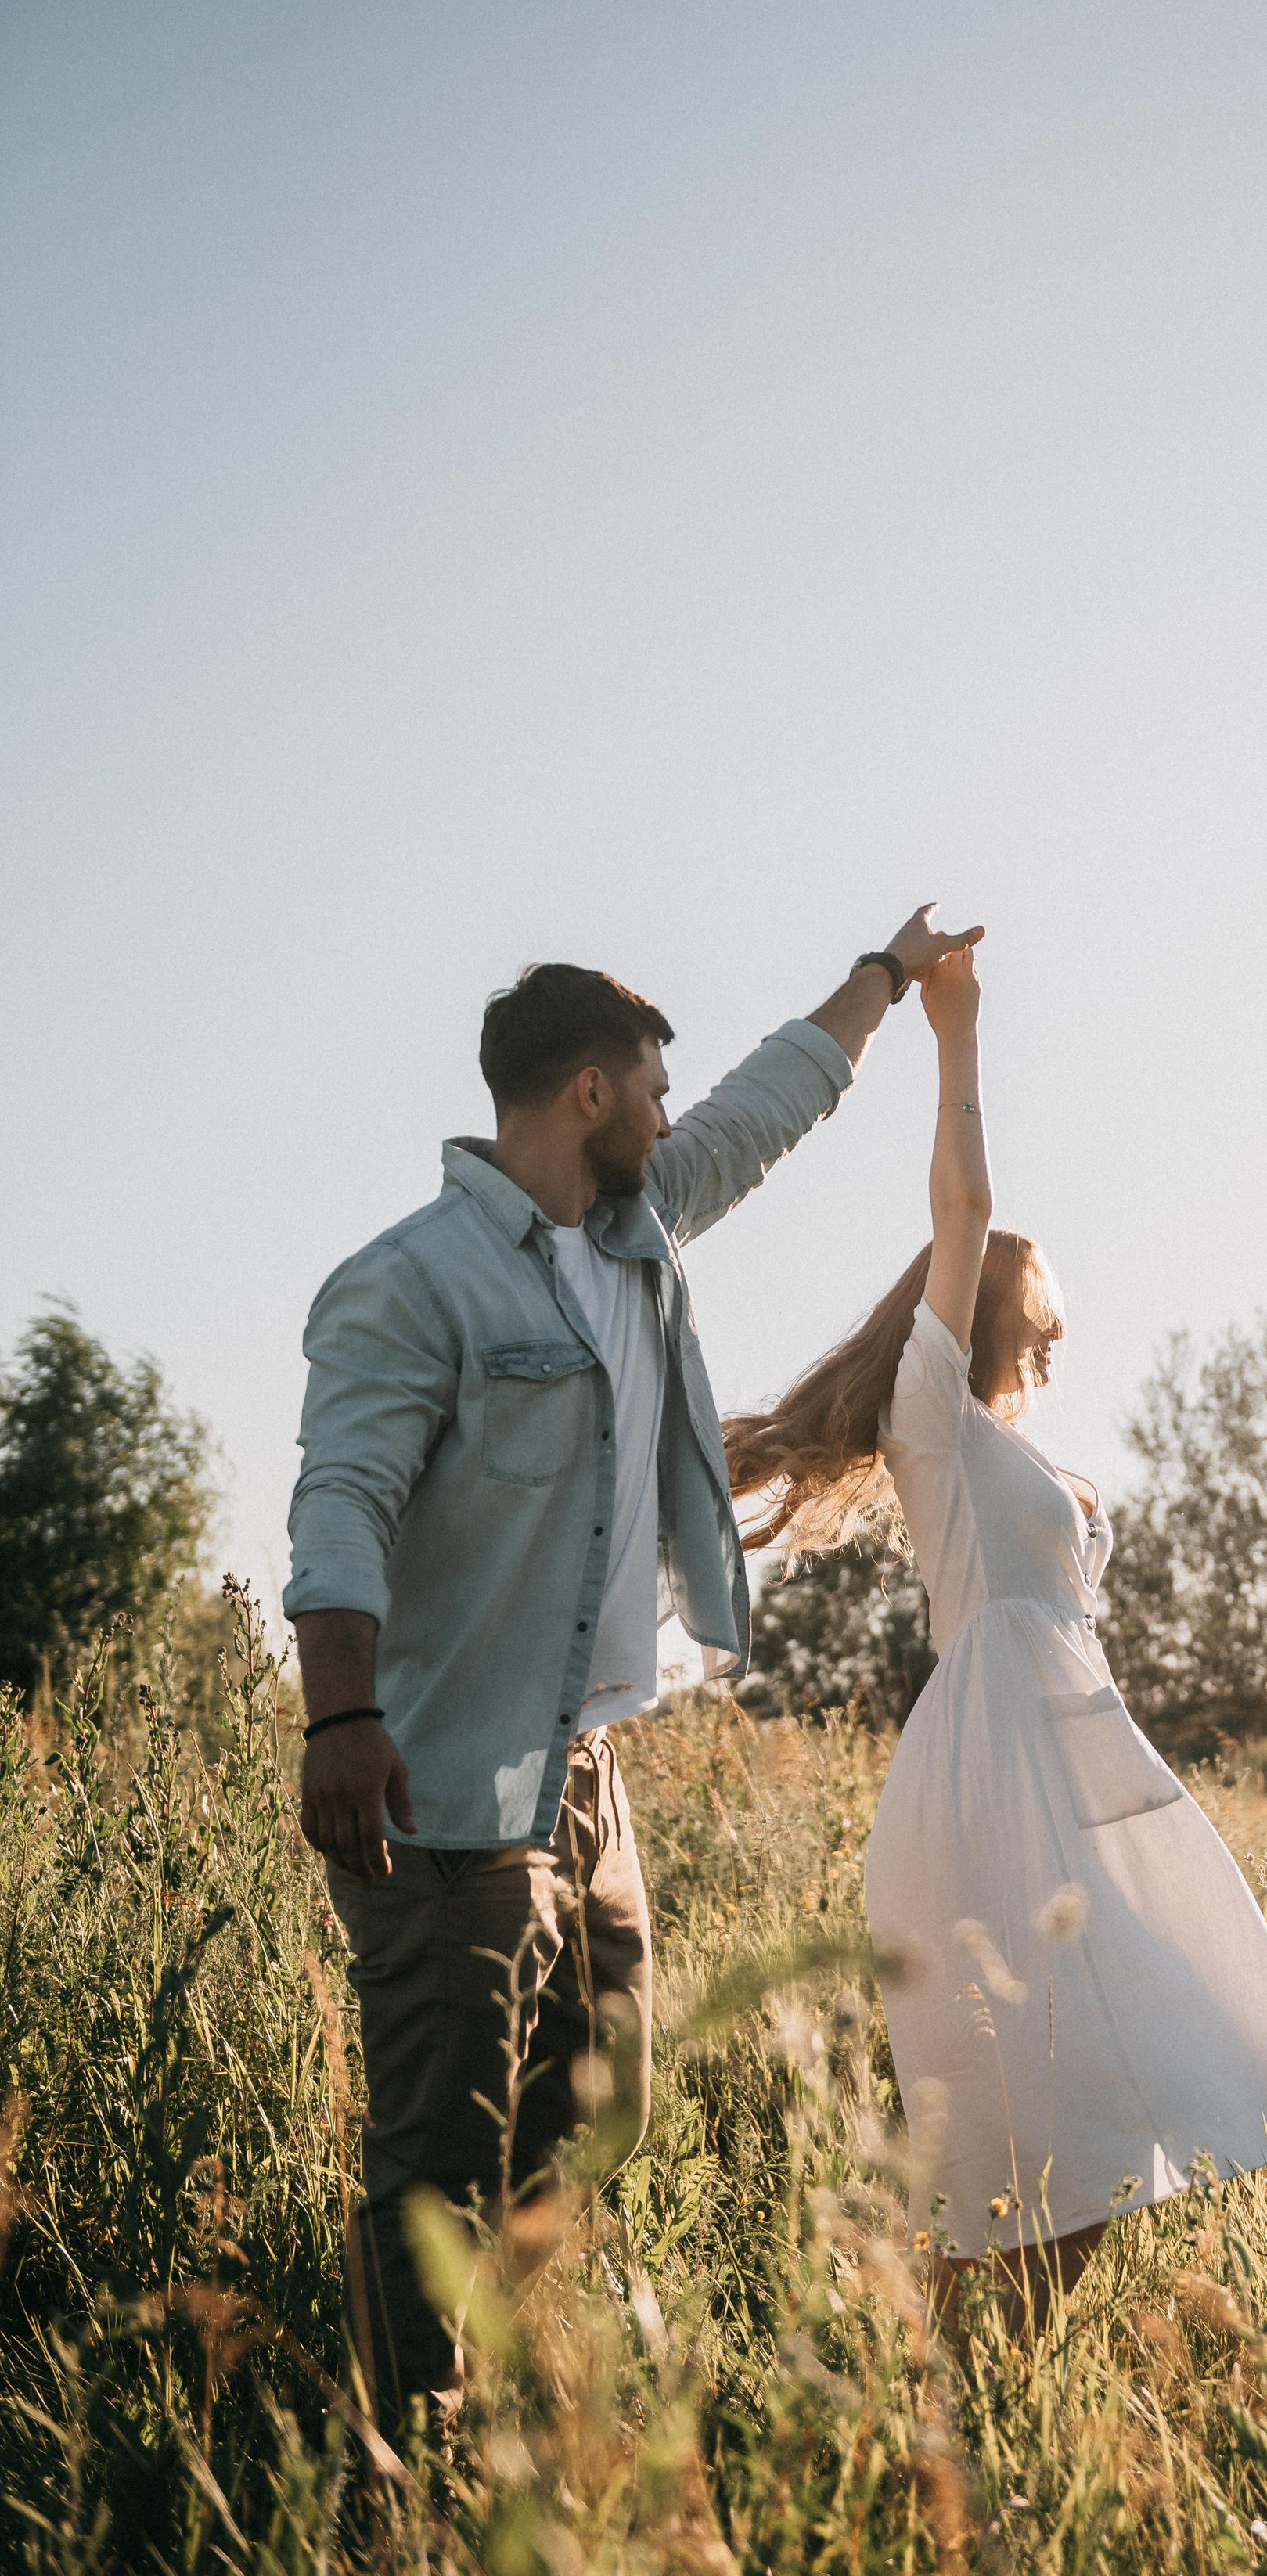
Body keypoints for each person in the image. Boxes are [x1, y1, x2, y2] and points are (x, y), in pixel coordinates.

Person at [286, 904, 980, 2423]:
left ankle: (478, 2379)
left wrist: (883, 979)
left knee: (599, 2100)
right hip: (445, 1780)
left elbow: (763, 1106)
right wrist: (339, 1711)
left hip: (583, 1769)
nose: (672, 1117)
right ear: (585, 1094)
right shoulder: (410, 1284)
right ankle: (400, 2465)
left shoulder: (636, 1224)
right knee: (441, 2151)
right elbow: (338, 1504)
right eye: (648, 1090)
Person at [725, 948, 1267, 2327]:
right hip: (990, 1792)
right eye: (1043, 1304)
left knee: (1101, 2153)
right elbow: (967, 1201)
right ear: (988, 1306)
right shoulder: (932, 1422)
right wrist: (955, 1032)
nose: (1061, 1327)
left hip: (1069, 1788)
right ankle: (948, 2436)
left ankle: (971, 2421)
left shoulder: (1016, 1455)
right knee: (1035, 2163)